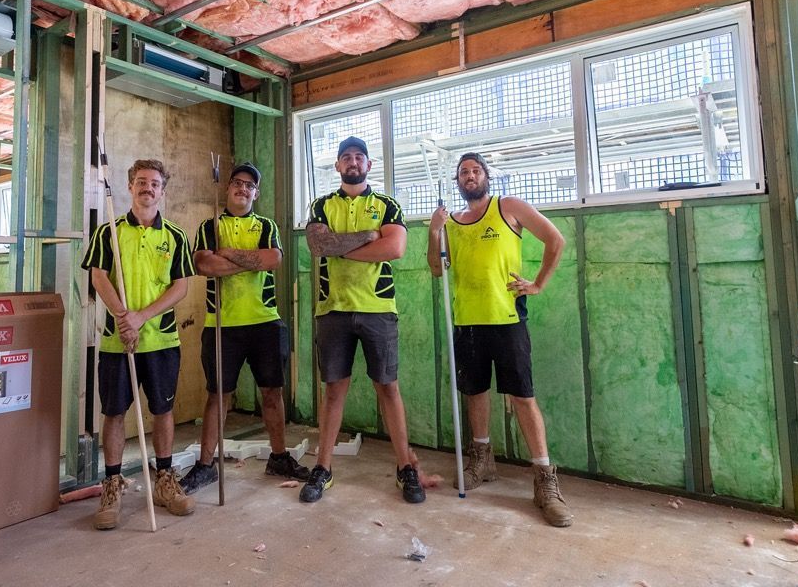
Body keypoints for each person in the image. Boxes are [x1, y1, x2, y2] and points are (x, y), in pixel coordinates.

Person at [427, 151, 573, 527]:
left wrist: (538, 284)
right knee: (475, 393)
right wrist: (434, 231)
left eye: (476, 170)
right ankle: (482, 460)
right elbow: (437, 269)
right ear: (458, 181)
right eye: (464, 172)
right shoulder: (451, 222)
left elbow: (555, 239)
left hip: (507, 319)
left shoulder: (508, 207)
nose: (470, 176)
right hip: (467, 322)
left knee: (522, 396)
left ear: (486, 176)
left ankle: (545, 479)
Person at [300, 136, 425, 505]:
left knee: (388, 387)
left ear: (369, 165)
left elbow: (395, 247)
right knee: (333, 390)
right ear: (338, 166)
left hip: (378, 309)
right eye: (346, 157)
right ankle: (323, 467)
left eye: (359, 157)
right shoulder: (321, 205)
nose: (352, 162)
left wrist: (343, 247)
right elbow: (319, 246)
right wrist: (368, 238)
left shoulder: (387, 205)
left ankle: (405, 467)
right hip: (332, 309)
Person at [179, 162, 310, 493]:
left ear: (256, 193)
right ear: (227, 188)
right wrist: (248, 261)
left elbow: (273, 260)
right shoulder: (210, 225)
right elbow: (204, 264)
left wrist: (228, 256)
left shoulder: (265, 226)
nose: (243, 188)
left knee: (272, 393)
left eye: (249, 185)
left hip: (265, 322)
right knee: (218, 395)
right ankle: (205, 465)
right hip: (221, 325)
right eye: (237, 182)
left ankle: (279, 457)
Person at [81, 158, 196, 530]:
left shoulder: (175, 236)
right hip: (117, 341)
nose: (148, 187)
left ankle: (165, 481)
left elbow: (181, 286)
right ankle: (112, 485)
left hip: (161, 339)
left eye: (155, 183)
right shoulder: (108, 232)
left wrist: (141, 317)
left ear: (163, 190)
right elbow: (99, 278)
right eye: (142, 181)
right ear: (130, 186)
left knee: (163, 411)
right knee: (114, 412)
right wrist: (123, 316)